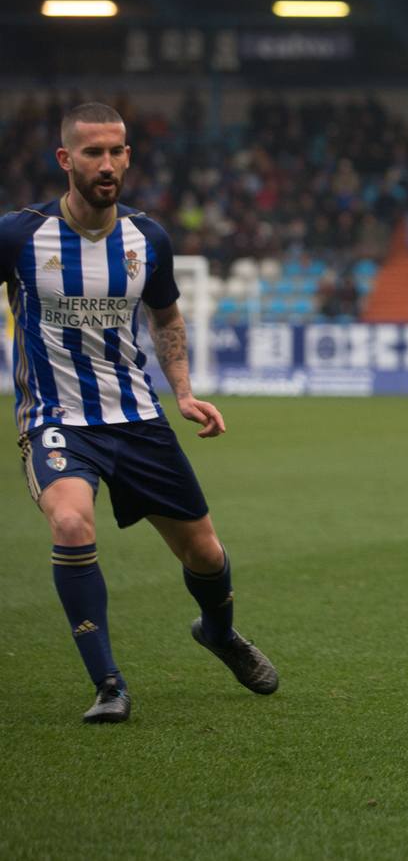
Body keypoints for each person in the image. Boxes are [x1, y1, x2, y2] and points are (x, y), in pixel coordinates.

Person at [0, 102, 278, 724]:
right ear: (65, 160)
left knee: (205, 555)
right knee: (72, 524)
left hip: (136, 417)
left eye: (117, 151)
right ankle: (109, 684)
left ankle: (219, 632)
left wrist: (181, 391)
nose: (107, 164)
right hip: (56, 419)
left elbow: (166, 317)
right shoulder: (19, 234)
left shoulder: (147, 238)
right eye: (93, 153)